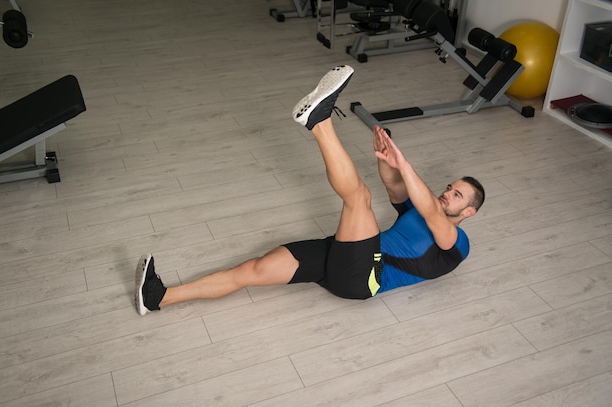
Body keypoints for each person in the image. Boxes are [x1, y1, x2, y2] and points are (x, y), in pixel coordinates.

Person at [134, 65, 485, 316]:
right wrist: (386, 153)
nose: (447, 194)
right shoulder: (418, 210)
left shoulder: (456, 245)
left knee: (358, 199)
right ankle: (159, 297)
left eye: (457, 196)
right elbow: (394, 184)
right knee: (254, 269)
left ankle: (319, 122)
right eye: (450, 187)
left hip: (366, 279)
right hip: (343, 257)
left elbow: (431, 213)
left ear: (469, 213)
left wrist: (407, 164)